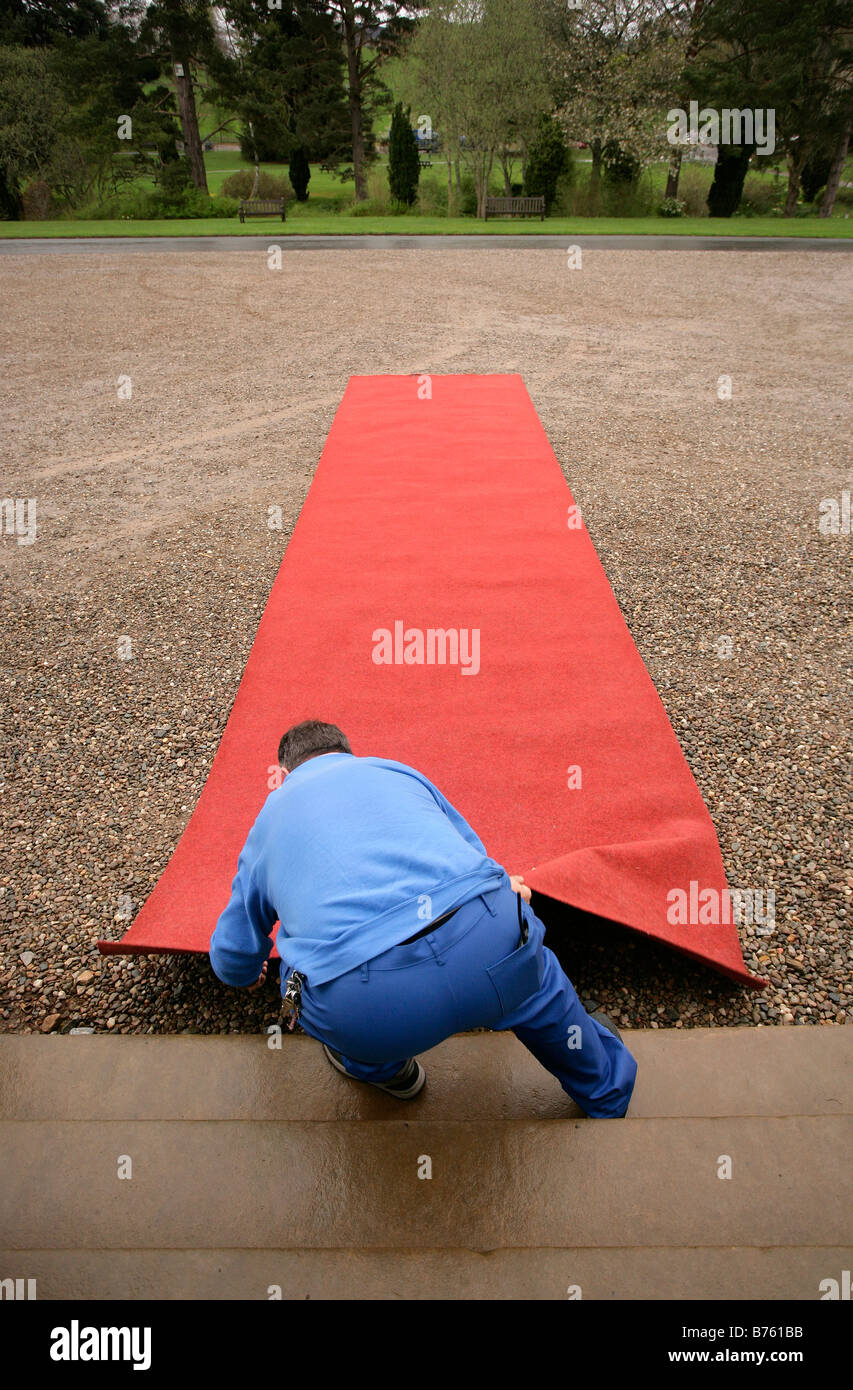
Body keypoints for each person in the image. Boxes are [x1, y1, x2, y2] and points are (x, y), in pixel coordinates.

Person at [209, 720, 637, 1116]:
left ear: (284, 773)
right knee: (538, 989)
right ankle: (603, 1084)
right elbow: (473, 852)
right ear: (347, 752)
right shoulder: (396, 771)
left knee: (300, 978)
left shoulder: (270, 818)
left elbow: (231, 950)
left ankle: (385, 1069)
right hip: (487, 949)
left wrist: (246, 974)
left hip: (369, 1004)